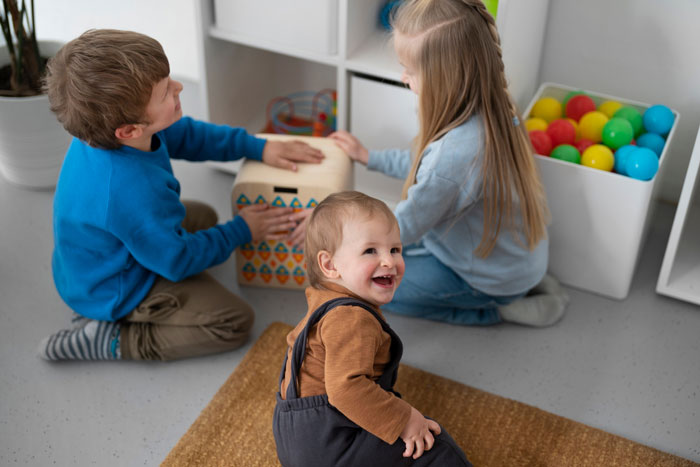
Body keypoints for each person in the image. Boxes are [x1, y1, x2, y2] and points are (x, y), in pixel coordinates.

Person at [37, 29, 324, 361]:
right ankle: (112, 338)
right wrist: (242, 231)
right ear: (129, 130)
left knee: (202, 216)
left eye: (169, 80)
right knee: (234, 322)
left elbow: (187, 136)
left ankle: (122, 296)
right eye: (165, 93)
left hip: (97, 262)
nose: (179, 87)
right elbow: (176, 262)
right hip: (115, 289)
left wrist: (259, 146)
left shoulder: (107, 133)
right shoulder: (130, 190)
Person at [329, 0, 568, 327]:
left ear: (445, 80)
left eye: (410, 71)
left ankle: (499, 309)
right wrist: (369, 157)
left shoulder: (455, 155)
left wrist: (345, 245)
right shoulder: (497, 106)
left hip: (484, 278)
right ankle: (526, 284)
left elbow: (404, 229)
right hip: (512, 260)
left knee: (369, 288)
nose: (403, 77)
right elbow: (422, 167)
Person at [273, 191, 471, 467]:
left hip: (295, 437)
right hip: (328, 445)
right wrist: (406, 419)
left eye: (395, 249)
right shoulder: (352, 318)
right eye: (370, 251)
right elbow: (346, 389)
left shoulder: (325, 300)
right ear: (330, 265)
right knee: (434, 445)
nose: (388, 261)